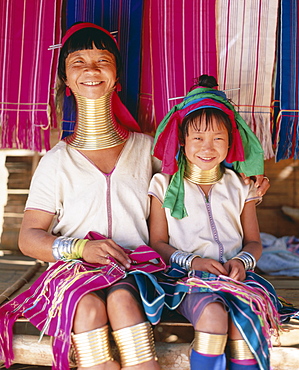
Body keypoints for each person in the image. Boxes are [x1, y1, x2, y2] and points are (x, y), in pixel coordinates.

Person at [6, 23, 162, 370]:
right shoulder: (56, 161)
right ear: (65, 79)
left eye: (102, 60)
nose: (91, 70)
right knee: (88, 308)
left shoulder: (147, 150)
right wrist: (80, 249)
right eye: (78, 62)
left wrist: (246, 188)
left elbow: (193, 186)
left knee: (122, 300)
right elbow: (29, 238)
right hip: (72, 273)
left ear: (116, 77)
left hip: (134, 269)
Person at [148, 75, 298, 370]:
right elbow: (157, 243)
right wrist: (194, 263)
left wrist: (242, 262)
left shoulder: (240, 186)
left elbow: (254, 242)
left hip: (237, 280)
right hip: (185, 280)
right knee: (214, 318)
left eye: (218, 138)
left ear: (230, 141)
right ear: (182, 139)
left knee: (248, 320)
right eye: (198, 138)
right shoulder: (162, 186)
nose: (208, 147)